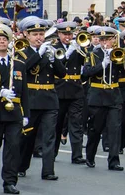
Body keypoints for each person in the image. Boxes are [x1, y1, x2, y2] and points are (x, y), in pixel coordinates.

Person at [17, 16, 67, 180]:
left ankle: (48, 171)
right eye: (35, 34)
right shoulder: (22, 53)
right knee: (27, 136)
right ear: (26, 35)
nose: (39, 37)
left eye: (41, 33)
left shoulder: (49, 50)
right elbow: (24, 70)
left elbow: (62, 74)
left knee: (49, 136)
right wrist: (39, 54)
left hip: (49, 99)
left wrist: (54, 60)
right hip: (31, 99)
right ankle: (21, 166)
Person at [82, 26, 124, 170]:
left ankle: (114, 161)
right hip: (97, 95)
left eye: (108, 39)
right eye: (102, 40)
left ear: (113, 40)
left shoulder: (119, 54)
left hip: (114, 95)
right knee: (95, 129)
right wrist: (103, 64)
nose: (105, 42)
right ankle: (90, 156)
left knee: (115, 130)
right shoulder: (92, 54)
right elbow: (86, 73)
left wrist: (118, 58)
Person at [0, 24, 29, 194]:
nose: (2, 42)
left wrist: (26, 115)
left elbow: (25, 92)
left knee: (13, 149)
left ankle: (9, 182)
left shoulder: (18, 64)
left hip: (14, 113)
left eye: (4, 39)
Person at [53, 21, 87, 165]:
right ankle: (52, 153)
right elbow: (58, 66)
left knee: (76, 124)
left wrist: (80, 48)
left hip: (75, 89)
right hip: (59, 89)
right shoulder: (54, 48)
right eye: (65, 34)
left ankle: (77, 155)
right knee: (57, 124)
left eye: (70, 34)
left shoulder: (78, 47)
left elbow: (86, 62)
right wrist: (67, 53)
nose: (68, 37)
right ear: (59, 34)